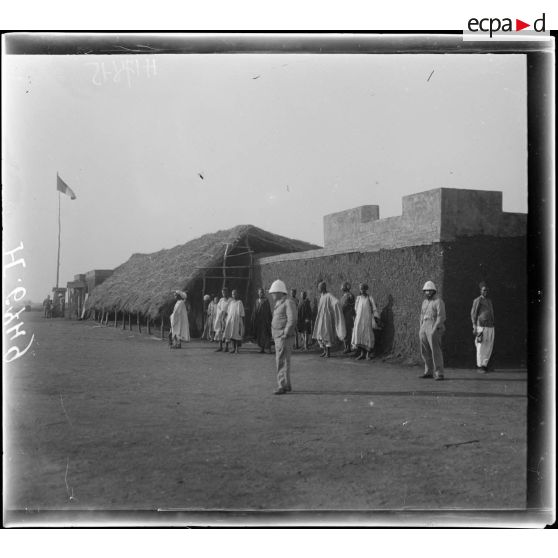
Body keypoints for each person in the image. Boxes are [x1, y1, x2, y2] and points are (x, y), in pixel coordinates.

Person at [269, 279, 297, 395]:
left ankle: (282, 386)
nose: (272, 294)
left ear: (281, 292)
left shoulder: (288, 302)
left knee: (281, 361)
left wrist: (285, 333)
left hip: (283, 337)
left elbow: (292, 320)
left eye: (274, 292)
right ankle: (286, 385)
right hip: (279, 336)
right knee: (283, 361)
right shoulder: (279, 303)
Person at [419, 281, 446, 380]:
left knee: (436, 351)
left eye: (430, 290)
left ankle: (439, 373)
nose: (428, 292)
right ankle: (428, 372)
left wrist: (434, 329)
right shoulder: (424, 302)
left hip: (433, 324)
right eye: (426, 291)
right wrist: (420, 328)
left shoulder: (438, 301)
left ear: (434, 291)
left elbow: (441, 316)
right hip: (424, 325)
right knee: (425, 351)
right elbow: (421, 315)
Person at [312, 281, 346, 358]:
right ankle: (324, 351)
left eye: (319, 287)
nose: (318, 288)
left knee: (326, 335)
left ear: (323, 287)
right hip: (320, 319)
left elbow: (336, 302)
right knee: (320, 335)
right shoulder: (322, 296)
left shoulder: (329, 295)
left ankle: (328, 352)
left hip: (327, 319)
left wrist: (332, 311)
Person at [351, 283, 381, 360]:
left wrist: (376, 317)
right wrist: (355, 318)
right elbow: (356, 309)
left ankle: (368, 354)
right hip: (359, 320)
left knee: (367, 335)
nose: (362, 290)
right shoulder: (358, 298)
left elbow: (374, 309)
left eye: (363, 289)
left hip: (367, 319)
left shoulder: (370, 298)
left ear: (366, 289)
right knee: (359, 334)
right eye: (361, 289)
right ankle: (362, 353)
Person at [471, 282, 495, 373]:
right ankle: (479, 366)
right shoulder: (477, 300)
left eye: (487, 290)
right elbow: (473, 314)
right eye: (484, 290)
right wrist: (474, 326)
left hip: (490, 326)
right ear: (480, 291)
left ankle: (484, 365)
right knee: (480, 346)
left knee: (489, 346)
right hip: (481, 326)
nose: (486, 292)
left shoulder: (489, 301)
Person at [223, 289, 245, 354]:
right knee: (232, 335)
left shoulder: (240, 302)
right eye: (233, 294)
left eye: (235, 294)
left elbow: (242, 313)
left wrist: (242, 323)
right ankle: (233, 348)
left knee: (237, 335)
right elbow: (228, 311)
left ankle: (237, 349)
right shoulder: (231, 302)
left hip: (237, 321)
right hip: (231, 321)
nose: (234, 295)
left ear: (237, 294)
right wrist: (225, 318)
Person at [251, 287, 272, 353]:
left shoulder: (266, 301)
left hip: (265, 321)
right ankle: (261, 348)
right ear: (258, 293)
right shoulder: (257, 301)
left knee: (266, 335)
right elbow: (255, 311)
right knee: (259, 335)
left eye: (262, 292)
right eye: (260, 292)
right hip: (258, 321)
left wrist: (269, 320)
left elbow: (268, 311)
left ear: (264, 293)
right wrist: (253, 318)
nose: (261, 294)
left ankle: (268, 349)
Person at [340, 282, 356, 354]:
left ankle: (348, 347)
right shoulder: (345, 296)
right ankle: (346, 346)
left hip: (348, 316)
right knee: (345, 332)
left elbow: (349, 305)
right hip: (344, 315)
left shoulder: (350, 295)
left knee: (348, 332)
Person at [214, 287, 231, 352]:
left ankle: (226, 347)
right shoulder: (221, 300)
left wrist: (226, 313)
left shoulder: (230, 300)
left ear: (227, 292)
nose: (223, 294)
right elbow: (218, 308)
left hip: (227, 317)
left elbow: (231, 308)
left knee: (226, 331)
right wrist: (221, 313)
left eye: (225, 292)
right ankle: (220, 346)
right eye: (222, 293)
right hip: (221, 317)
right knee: (219, 331)